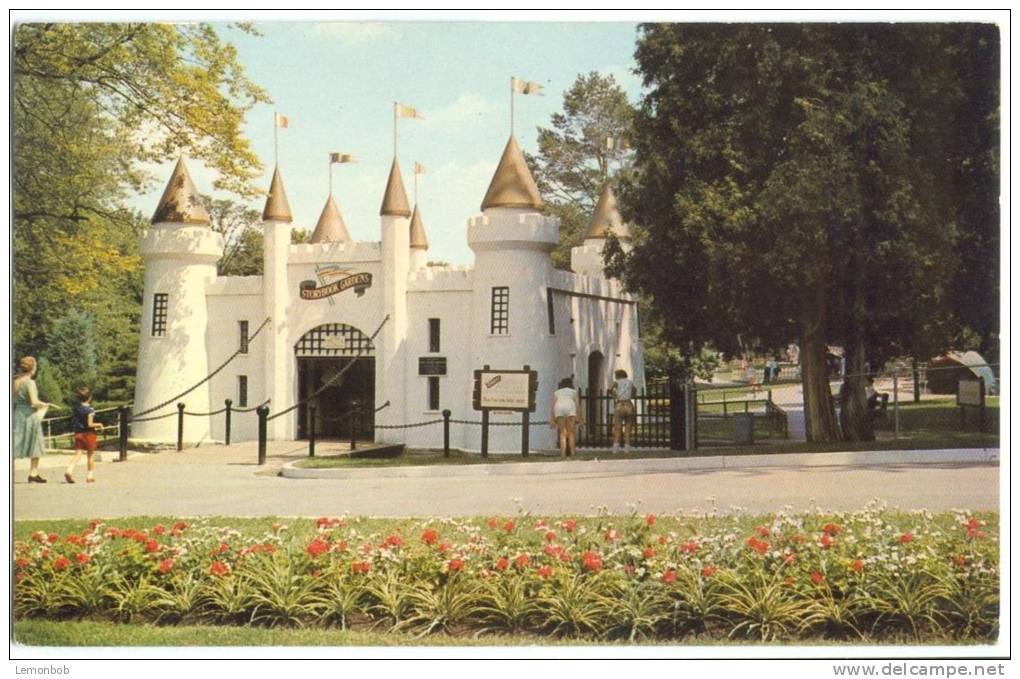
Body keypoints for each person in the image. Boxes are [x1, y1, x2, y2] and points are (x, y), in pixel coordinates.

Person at [13, 356, 52, 483]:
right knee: (35, 443)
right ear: (32, 368)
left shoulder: (16, 381)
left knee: (15, 441)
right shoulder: (30, 382)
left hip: (18, 413)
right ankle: (33, 473)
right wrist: (44, 404)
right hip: (29, 415)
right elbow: (34, 402)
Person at [65, 386, 104, 483]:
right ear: (90, 397)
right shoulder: (90, 410)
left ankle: (69, 470)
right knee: (90, 455)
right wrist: (99, 424)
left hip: (78, 433)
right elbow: (90, 424)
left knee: (78, 454)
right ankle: (89, 476)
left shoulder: (76, 409)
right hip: (89, 434)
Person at [549, 377, 582, 458]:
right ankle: (573, 453)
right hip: (570, 407)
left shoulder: (556, 393)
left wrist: (552, 419)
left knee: (562, 433)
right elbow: (577, 406)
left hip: (559, 407)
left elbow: (553, 406)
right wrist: (580, 418)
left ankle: (563, 454)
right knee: (571, 433)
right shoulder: (574, 392)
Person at [608, 369, 636, 452]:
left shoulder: (616, 382)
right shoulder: (630, 382)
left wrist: (614, 395)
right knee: (628, 427)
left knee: (617, 427)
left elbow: (609, 389)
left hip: (620, 404)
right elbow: (634, 391)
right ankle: (627, 447)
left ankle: (615, 448)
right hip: (628, 404)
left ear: (617, 375)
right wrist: (630, 395)